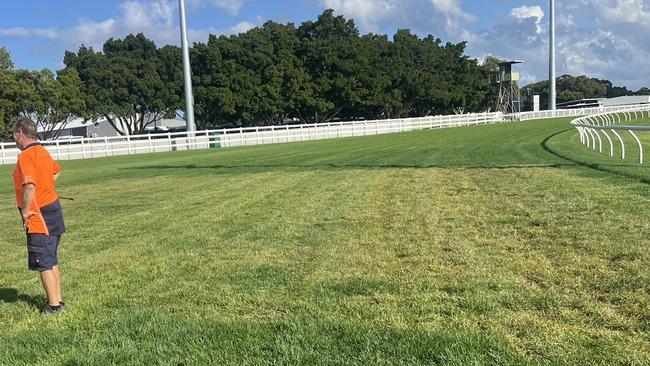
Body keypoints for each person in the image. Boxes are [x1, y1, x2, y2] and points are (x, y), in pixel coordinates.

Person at [12, 117, 66, 314]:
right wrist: (46, 187)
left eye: (14, 136)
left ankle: (54, 306)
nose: (15, 140)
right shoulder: (43, 151)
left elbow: (29, 185)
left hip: (39, 214)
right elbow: (56, 172)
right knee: (51, 257)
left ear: (20, 134)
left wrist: (26, 211)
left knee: (43, 260)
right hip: (53, 208)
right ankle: (57, 298)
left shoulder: (26, 156)